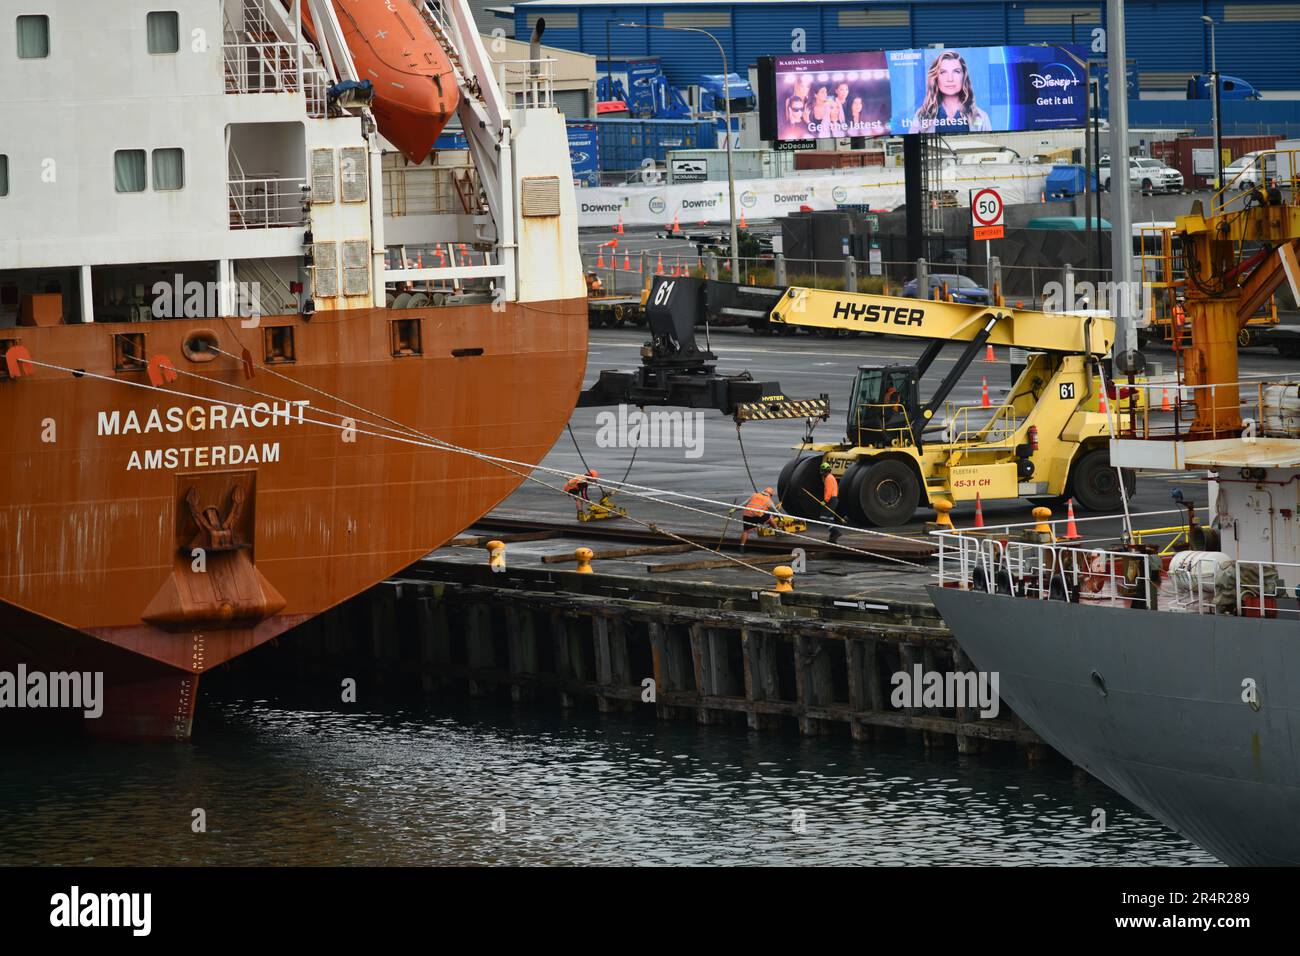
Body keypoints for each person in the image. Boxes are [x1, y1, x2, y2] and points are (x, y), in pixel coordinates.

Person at [908, 50, 991, 134]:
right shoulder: (922, 115)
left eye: (956, 72)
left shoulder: (981, 117)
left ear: (964, 76)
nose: (950, 79)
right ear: (936, 77)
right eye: (943, 72)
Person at [820, 462, 844, 544]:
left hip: (831, 499)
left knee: (823, 518)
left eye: (822, 471)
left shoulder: (828, 478)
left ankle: (835, 532)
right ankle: (833, 538)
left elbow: (829, 491)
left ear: (824, 471)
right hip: (834, 499)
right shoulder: (831, 477)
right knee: (830, 518)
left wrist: (825, 501)